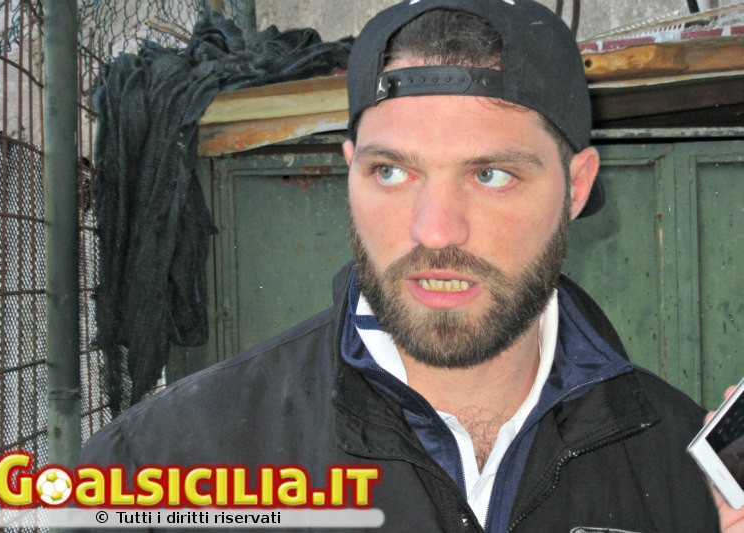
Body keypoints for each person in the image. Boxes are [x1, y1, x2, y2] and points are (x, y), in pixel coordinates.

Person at [75, 1, 744, 531]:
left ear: (574, 187)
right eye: (391, 172)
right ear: (349, 174)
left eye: (490, 174)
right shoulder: (160, 469)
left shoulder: (688, 475)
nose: (435, 230)